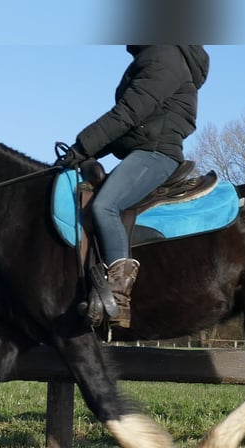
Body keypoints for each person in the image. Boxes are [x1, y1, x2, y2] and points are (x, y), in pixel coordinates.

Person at [57, 45, 209, 328]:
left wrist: (81, 147)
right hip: (144, 150)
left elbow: (128, 114)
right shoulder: (157, 54)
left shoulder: (165, 56)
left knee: (105, 206)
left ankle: (118, 297)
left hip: (156, 154)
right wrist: (87, 153)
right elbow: (129, 126)